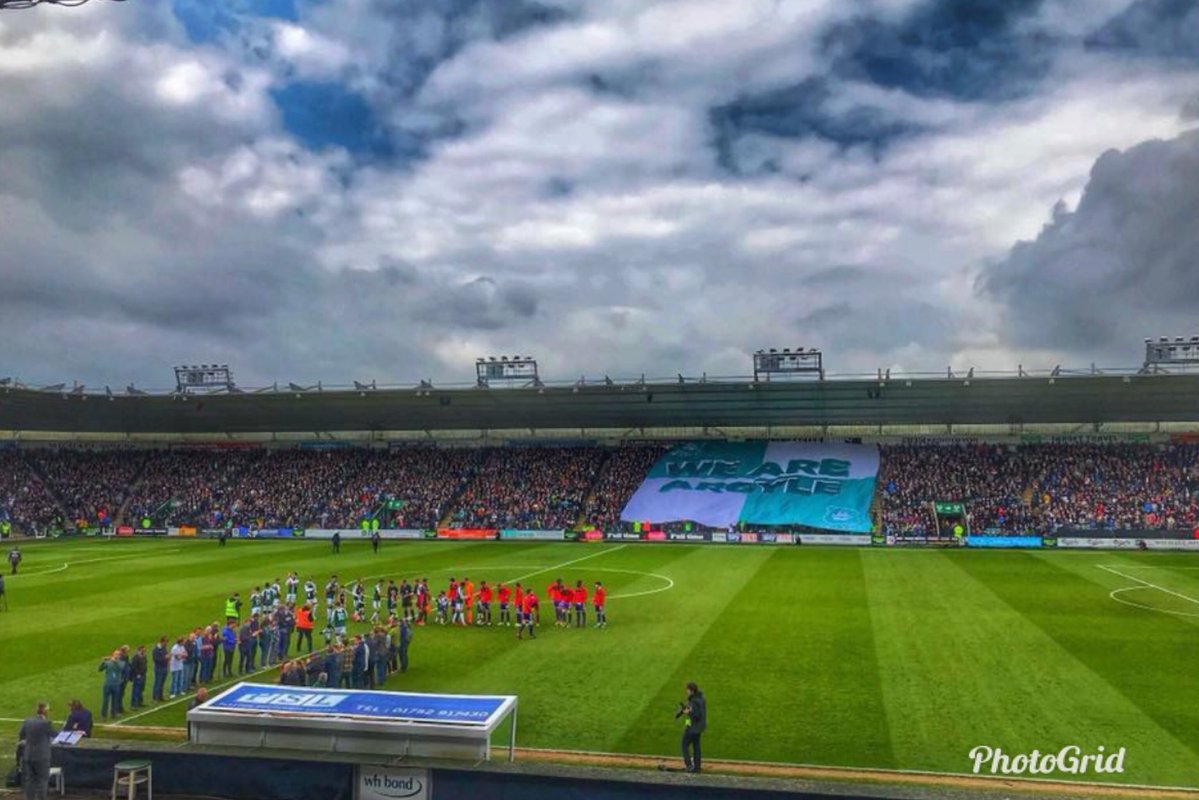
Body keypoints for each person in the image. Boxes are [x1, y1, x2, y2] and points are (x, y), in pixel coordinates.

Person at [18, 702, 53, 800]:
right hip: (41, 756)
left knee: (30, 780)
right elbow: (54, 734)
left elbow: (21, 734)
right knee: (42, 780)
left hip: (28, 755)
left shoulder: (27, 721)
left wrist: (28, 740)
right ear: (45, 711)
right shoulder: (46, 723)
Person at [678, 682, 706, 773]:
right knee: (696, 746)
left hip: (693, 727)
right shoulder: (701, 698)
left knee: (684, 744)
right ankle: (697, 767)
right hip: (699, 727)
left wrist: (688, 712)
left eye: (687, 690)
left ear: (691, 690)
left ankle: (689, 765)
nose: (686, 692)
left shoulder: (694, 701)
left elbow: (695, 715)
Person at [98, 650, 124, 720]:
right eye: (116, 654)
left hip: (116, 684)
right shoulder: (108, 662)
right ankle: (103, 715)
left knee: (115, 700)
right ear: (113, 654)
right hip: (107, 684)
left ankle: (114, 714)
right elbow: (100, 669)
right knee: (105, 701)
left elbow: (120, 668)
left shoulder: (121, 663)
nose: (117, 656)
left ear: (120, 656)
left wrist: (113, 661)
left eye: (118, 654)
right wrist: (103, 662)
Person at [151, 636, 169, 702]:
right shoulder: (156, 650)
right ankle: (155, 697)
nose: (166, 644)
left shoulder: (164, 648)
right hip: (159, 668)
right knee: (157, 683)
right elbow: (156, 660)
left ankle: (160, 696)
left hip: (164, 667)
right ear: (162, 642)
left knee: (162, 683)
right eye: (165, 642)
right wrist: (165, 658)